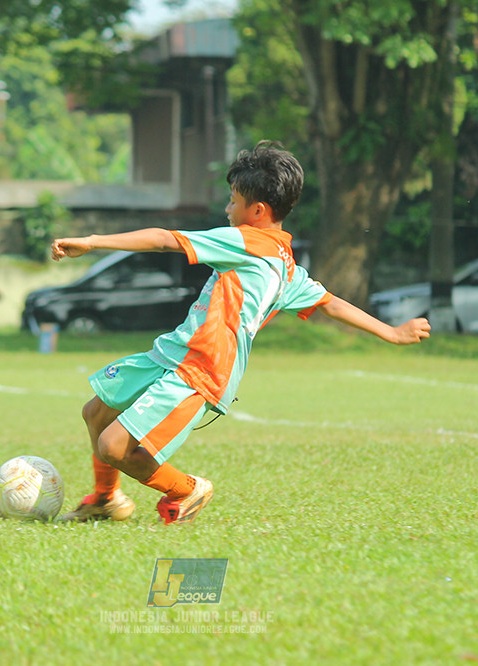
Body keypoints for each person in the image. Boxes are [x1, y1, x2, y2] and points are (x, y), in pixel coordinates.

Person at [50, 141, 430, 526]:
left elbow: (167, 239)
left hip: (199, 371)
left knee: (113, 445)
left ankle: (185, 489)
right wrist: (391, 333)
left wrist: (93, 242)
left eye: (233, 201)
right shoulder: (286, 266)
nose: (228, 210)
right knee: (96, 412)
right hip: (174, 353)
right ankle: (105, 499)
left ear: (257, 211)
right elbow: (330, 302)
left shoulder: (246, 241)